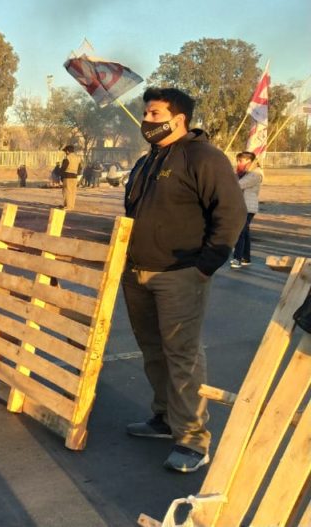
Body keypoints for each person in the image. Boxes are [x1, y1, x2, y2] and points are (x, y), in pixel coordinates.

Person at [122, 87, 246, 472]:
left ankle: (193, 439)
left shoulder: (203, 157)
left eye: (155, 114)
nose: (147, 120)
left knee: (182, 355)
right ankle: (165, 417)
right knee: (152, 350)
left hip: (180, 275)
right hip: (138, 273)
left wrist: (205, 265)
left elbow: (231, 212)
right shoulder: (147, 161)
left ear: (179, 120)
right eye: (146, 113)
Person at [230, 151, 263, 269]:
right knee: (245, 233)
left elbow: (238, 184)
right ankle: (246, 258)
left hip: (247, 207)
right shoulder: (245, 173)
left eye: (241, 161)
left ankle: (237, 259)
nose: (238, 163)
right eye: (238, 161)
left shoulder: (256, 173)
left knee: (240, 232)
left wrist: (230, 178)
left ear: (249, 161)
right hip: (243, 206)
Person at [59, 145, 82, 210]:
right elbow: (80, 169)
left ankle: (67, 206)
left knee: (66, 192)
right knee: (73, 192)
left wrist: (61, 176)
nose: (65, 153)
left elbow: (63, 168)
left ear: (67, 151)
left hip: (67, 177)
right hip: (75, 177)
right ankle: (71, 206)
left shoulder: (67, 158)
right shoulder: (78, 158)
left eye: (65, 151)